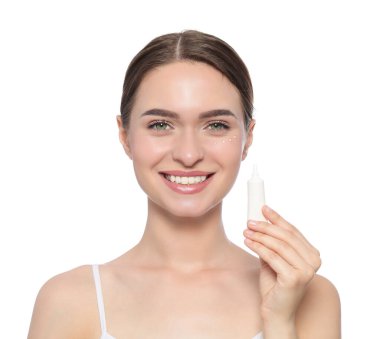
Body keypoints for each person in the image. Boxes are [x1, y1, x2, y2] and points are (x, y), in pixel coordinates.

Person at [28, 30, 341, 339]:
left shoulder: (308, 293)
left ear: (248, 138)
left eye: (216, 125)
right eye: (160, 125)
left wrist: (280, 322)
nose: (188, 154)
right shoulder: (69, 300)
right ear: (125, 137)